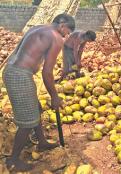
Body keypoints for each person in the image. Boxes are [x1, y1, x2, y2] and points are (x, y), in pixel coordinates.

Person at [2, 13, 75, 172]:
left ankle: (41, 142)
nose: (66, 36)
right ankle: (13, 160)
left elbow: (19, 51)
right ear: (62, 25)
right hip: (20, 76)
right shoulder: (56, 37)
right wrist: (55, 97)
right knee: (27, 123)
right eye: (67, 32)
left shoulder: (38, 28)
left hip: (13, 71)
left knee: (36, 109)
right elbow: (47, 73)